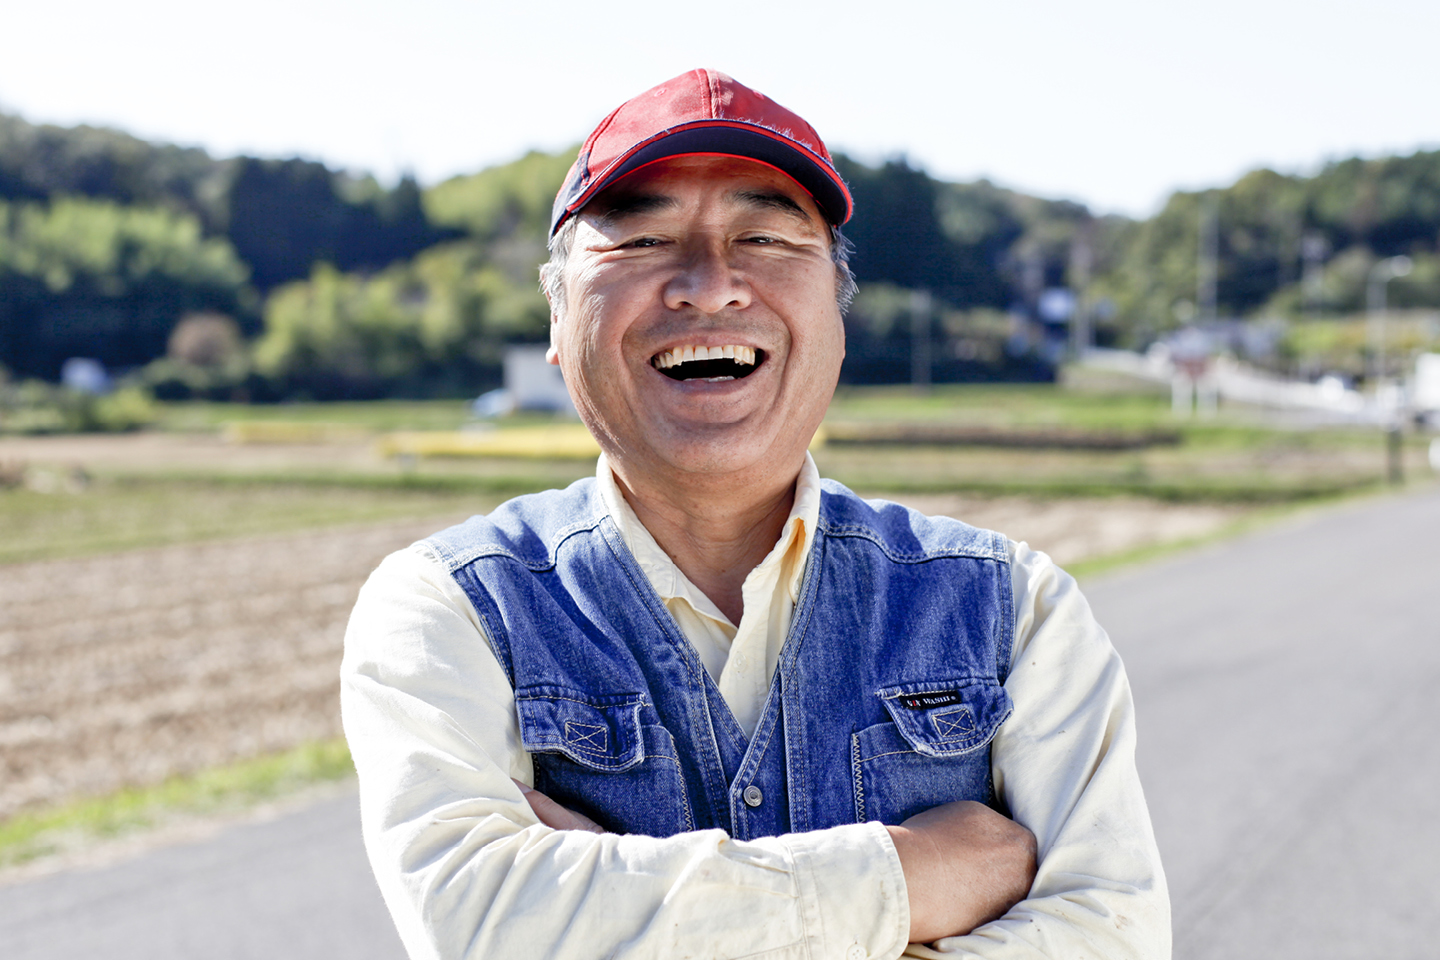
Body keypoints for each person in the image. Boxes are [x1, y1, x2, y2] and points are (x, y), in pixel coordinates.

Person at [342, 68, 1169, 960]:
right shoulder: (449, 608)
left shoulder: (1016, 607)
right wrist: (907, 879)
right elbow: (479, 922)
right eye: (645, 238)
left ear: (838, 314)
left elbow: (1112, 939)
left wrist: (610, 913)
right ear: (557, 310)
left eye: (768, 237)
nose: (711, 284)